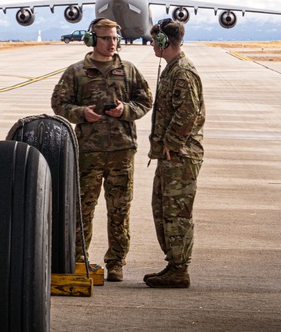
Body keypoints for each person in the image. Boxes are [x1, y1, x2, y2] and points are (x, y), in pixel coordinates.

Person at [51, 18, 152, 283]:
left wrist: (125, 111)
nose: (112, 43)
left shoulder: (128, 70)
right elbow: (59, 104)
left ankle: (116, 263)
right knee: (83, 210)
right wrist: (81, 113)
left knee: (119, 211)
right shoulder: (76, 72)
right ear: (92, 39)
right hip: (89, 152)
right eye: (106, 38)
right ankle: (78, 259)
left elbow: (145, 101)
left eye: (115, 38)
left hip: (122, 152)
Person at [144, 18, 205, 288]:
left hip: (180, 155)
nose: (152, 44)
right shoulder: (172, 69)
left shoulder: (182, 72)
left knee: (176, 213)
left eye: (154, 39)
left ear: (163, 42)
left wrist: (172, 141)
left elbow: (189, 111)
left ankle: (179, 269)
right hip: (171, 154)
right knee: (163, 209)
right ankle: (173, 264)